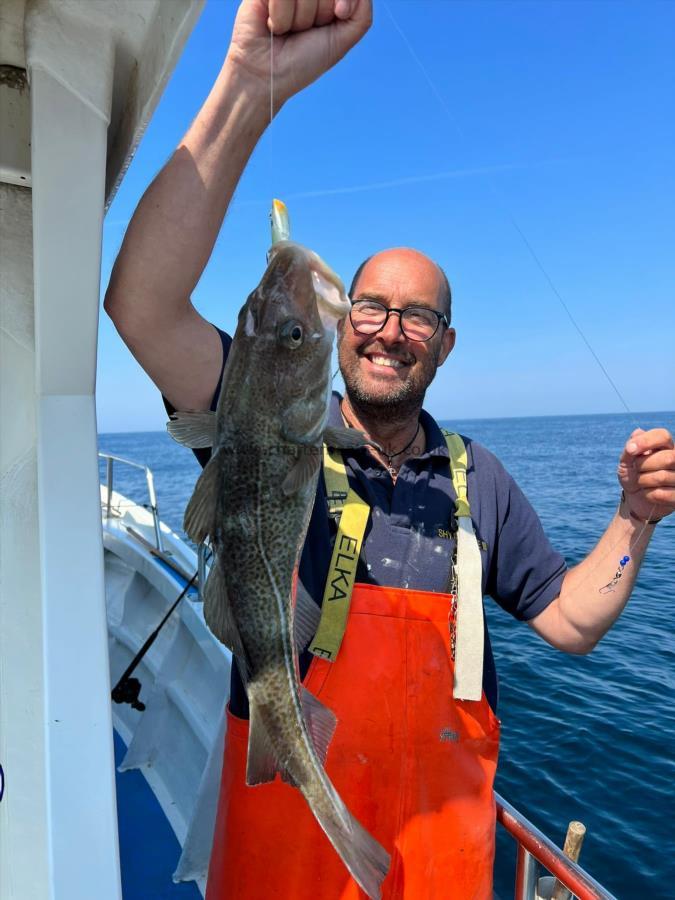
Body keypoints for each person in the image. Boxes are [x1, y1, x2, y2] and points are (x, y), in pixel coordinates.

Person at [104, 2, 675, 897]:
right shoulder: (259, 418)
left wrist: (633, 519)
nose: (388, 331)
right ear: (339, 331)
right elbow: (141, 305)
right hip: (281, 845)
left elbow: (569, 623)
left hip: (442, 859)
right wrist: (250, 90)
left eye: (418, 317)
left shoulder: (477, 480)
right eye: (367, 308)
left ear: (444, 344)